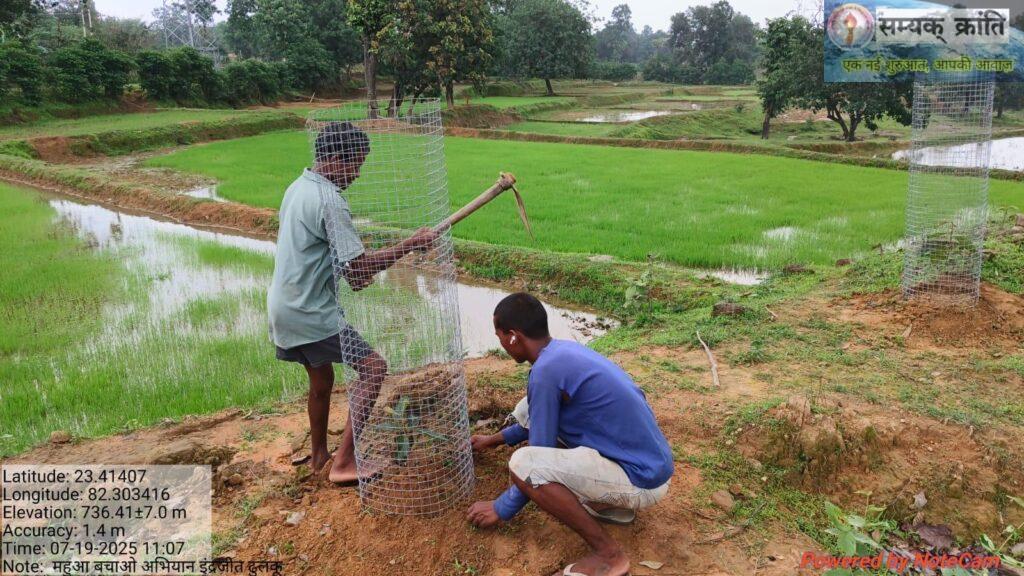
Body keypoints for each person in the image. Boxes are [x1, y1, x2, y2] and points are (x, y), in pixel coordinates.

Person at [267, 121, 436, 484]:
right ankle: (344, 463)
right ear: (336, 159)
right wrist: (410, 243)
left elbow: (347, 270)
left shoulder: (299, 186)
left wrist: (361, 270)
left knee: (322, 378)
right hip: (309, 311)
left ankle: (318, 457)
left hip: (284, 305)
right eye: (355, 165)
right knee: (374, 368)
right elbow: (358, 271)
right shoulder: (329, 200)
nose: (357, 174)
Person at [467, 293, 674, 576]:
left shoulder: (544, 373)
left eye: (500, 335)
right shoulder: (560, 354)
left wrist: (501, 507)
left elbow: (534, 460)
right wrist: (491, 441)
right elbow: (536, 418)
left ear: (513, 337)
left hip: (642, 479)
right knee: (528, 405)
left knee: (523, 463)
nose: (501, 343)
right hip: (651, 463)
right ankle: (608, 504)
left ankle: (609, 556)